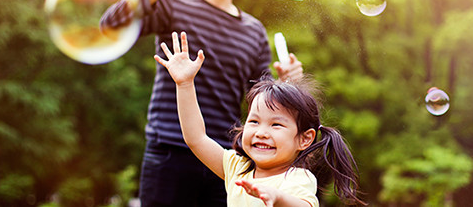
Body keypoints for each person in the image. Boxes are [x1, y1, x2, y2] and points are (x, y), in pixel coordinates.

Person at [100, 0, 303, 205]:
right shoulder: (172, 4)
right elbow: (110, 25)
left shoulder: (254, 31)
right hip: (169, 151)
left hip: (225, 159)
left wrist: (286, 85)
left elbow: (259, 100)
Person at [154, 31, 366, 206]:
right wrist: (184, 84)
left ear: (305, 139)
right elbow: (196, 138)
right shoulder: (236, 167)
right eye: (254, 121)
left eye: (276, 124)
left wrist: (278, 197)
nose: (261, 132)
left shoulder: (297, 178)